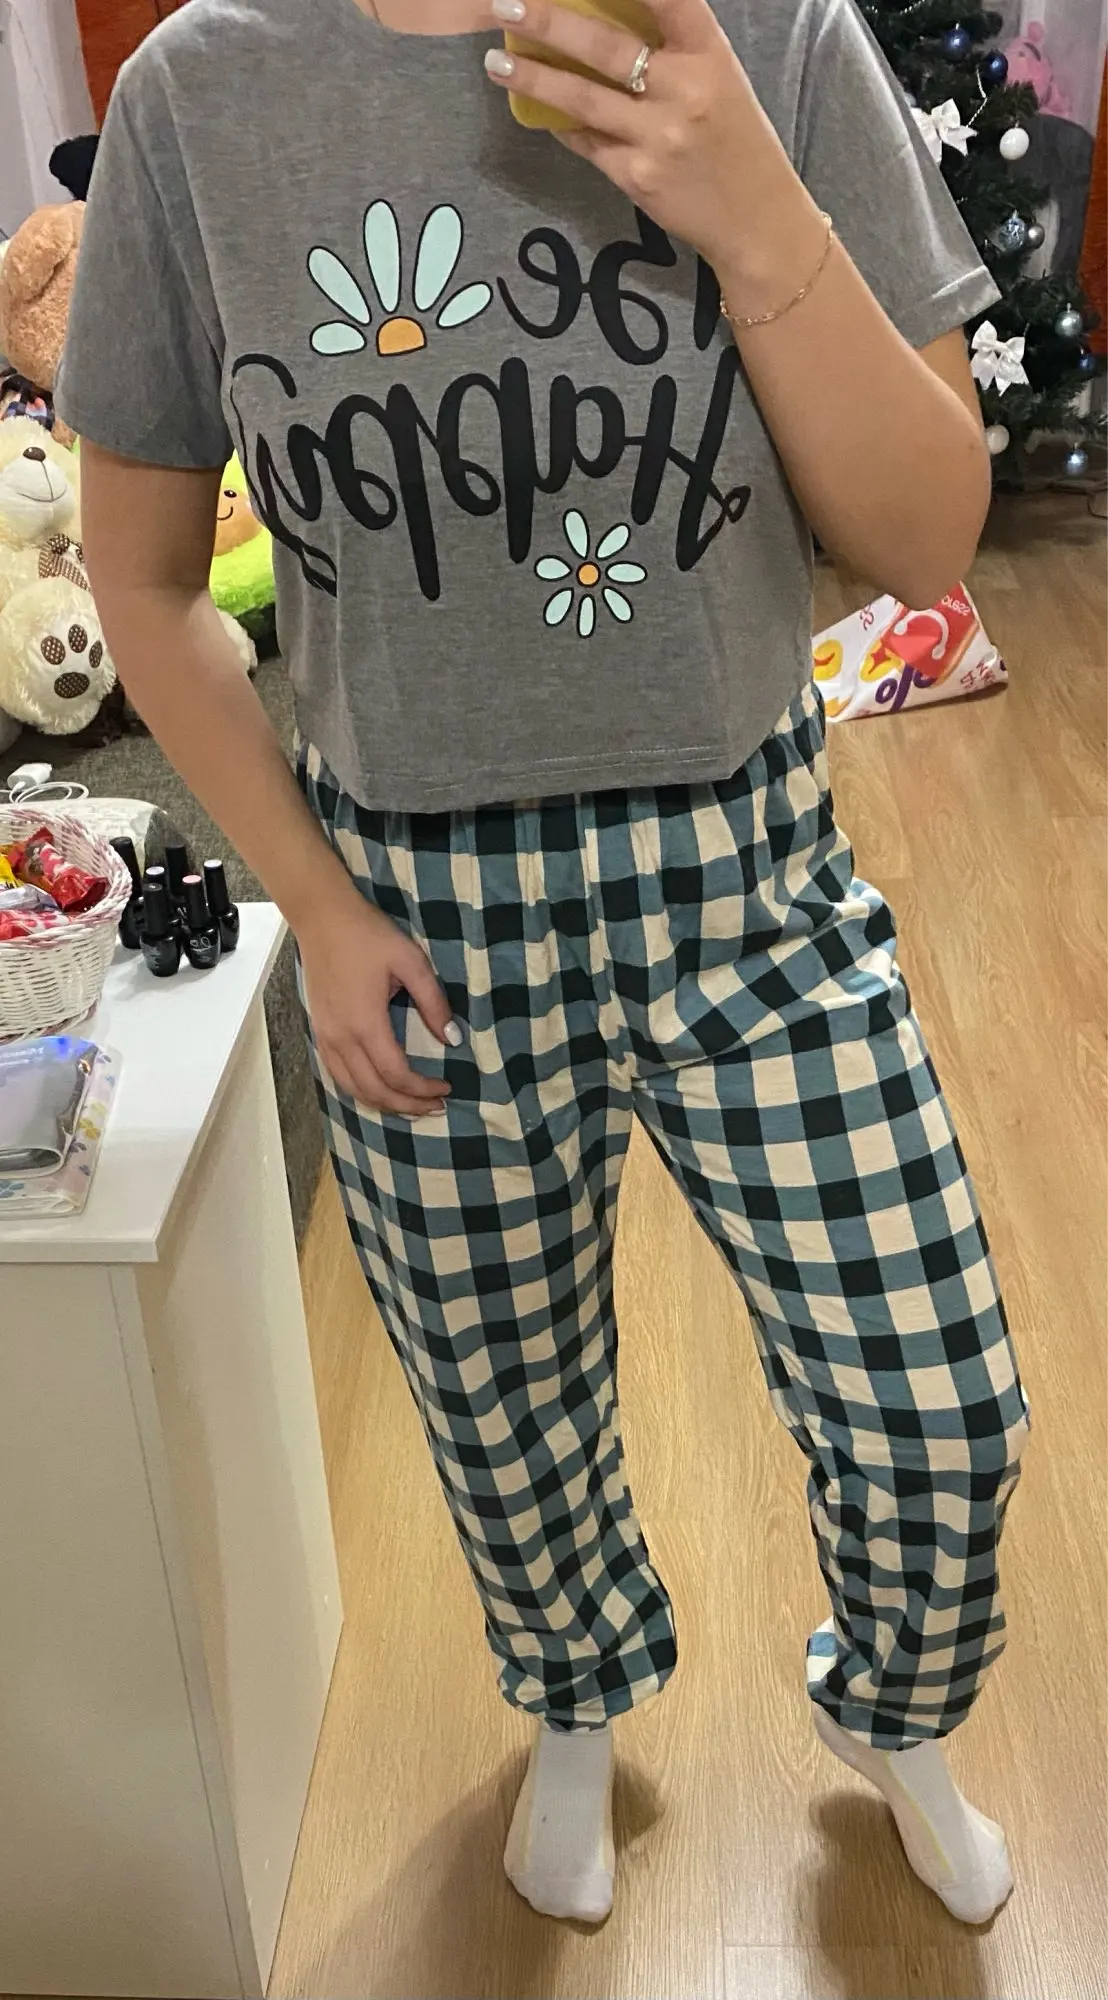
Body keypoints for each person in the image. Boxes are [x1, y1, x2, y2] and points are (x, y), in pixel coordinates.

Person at [59, 0, 1030, 1931]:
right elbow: (145, 578)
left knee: (941, 1412)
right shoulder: (197, 96)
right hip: (417, 913)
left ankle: (897, 1715)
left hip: (746, 872)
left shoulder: (777, 36)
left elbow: (929, 540)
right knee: (502, 1415)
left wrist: (758, 217)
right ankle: (574, 1702)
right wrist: (315, 909)